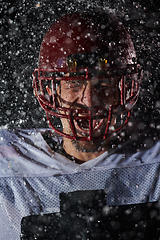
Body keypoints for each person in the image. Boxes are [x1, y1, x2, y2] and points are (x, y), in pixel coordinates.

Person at [0, 10, 160, 240]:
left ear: (124, 90)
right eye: (74, 83)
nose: (89, 101)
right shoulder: (8, 163)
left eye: (103, 83)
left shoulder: (154, 161)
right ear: (51, 91)